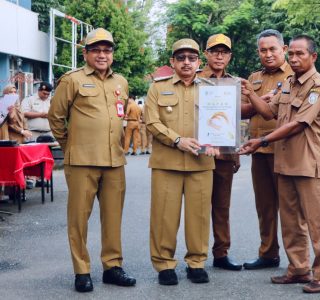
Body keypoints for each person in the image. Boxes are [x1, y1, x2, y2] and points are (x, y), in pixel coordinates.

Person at [240, 34, 320, 294]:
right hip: (284, 162)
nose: (293, 58)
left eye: (299, 54)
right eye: (291, 54)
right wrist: (251, 94)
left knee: (317, 222)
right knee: (291, 221)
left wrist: (262, 140)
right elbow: (268, 112)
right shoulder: (288, 83)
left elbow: (297, 124)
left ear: (313, 56)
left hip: (307, 163)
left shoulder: (318, 86)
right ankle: (298, 269)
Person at [48, 28, 136, 293]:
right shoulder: (72, 80)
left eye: (107, 50)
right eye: (96, 50)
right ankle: (82, 270)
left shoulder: (120, 81)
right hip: (82, 161)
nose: (101, 55)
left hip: (114, 161)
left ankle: (112, 267)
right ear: (85, 53)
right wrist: (71, 146)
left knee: (113, 218)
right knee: (79, 219)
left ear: (113, 54)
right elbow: (55, 117)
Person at [145, 38, 219, 286]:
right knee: (164, 216)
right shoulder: (157, 88)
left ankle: (196, 262)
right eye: (181, 58)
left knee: (198, 216)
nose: (186, 62)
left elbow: (222, 120)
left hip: (201, 163)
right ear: (172, 62)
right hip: (167, 162)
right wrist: (177, 140)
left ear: (199, 62)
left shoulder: (211, 88)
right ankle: (165, 264)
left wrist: (220, 140)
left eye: (191, 58)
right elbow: (152, 122)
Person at [241, 29, 293, 270]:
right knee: (265, 207)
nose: (268, 54)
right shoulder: (254, 78)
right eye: (263, 50)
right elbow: (243, 109)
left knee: (290, 209)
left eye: (273, 49)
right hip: (258, 152)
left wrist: (258, 99)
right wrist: (258, 98)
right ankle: (268, 254)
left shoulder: (296, 74)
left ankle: (297, 259)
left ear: (284, 49)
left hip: (285, 151)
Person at [197, 34, 241, 271]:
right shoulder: (194, 81)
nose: (219, 55)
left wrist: (235, 153)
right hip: (200, 154)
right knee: (199, 207)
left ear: (230, 56)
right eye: (215, 51)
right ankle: (197, 255)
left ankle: (221, 253)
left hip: (224, 155)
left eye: (224, 51)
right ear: (206, 54)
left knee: (222, 207)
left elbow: (234, 118)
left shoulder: (234, 84)